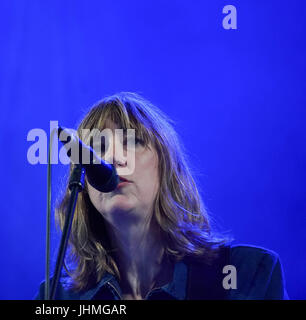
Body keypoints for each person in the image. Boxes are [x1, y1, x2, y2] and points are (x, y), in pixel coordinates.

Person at [35, 92, 288, 300]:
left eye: (133, 142)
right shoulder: (57, 297)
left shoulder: (248, 276)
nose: (112, 158)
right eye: (98, 149)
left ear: (166, 167)